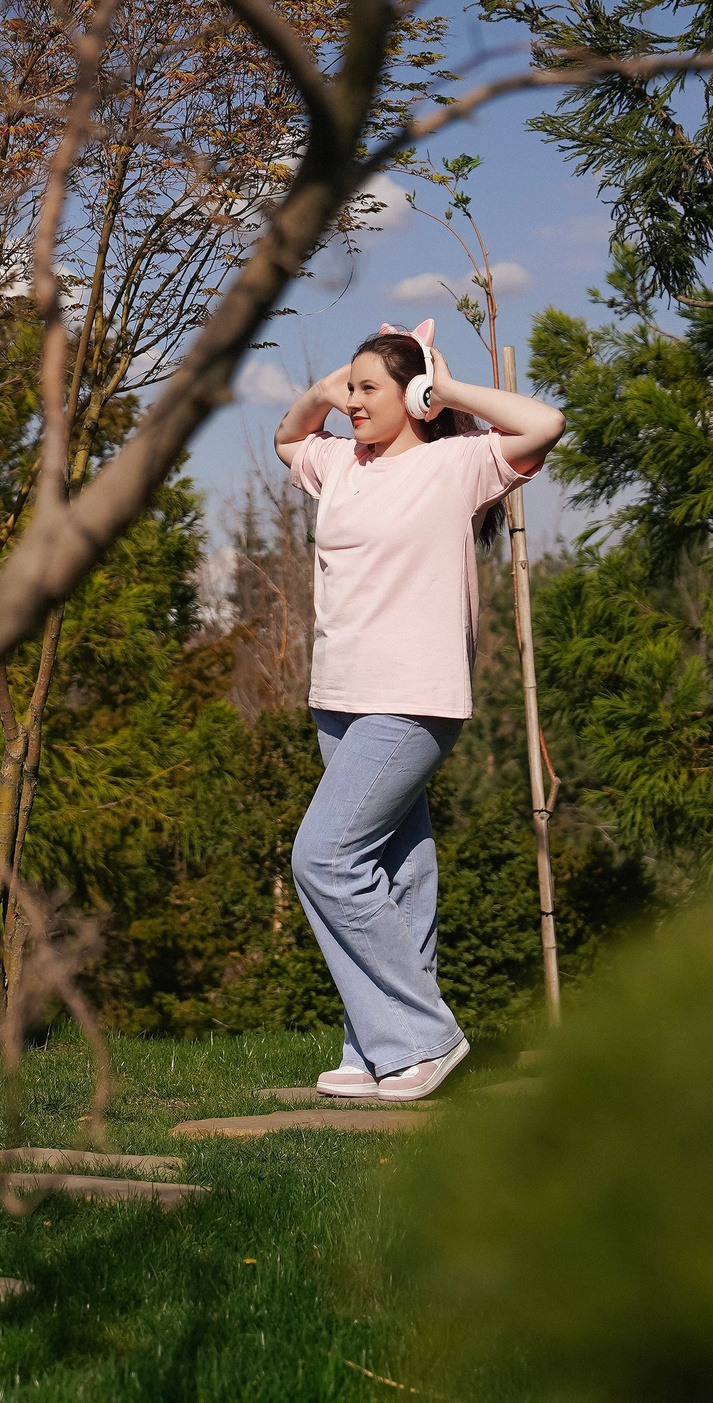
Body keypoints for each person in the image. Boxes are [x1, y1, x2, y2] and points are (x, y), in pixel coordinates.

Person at [272, 321, 566, 1101]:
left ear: (412, 395)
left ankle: (423, 1036)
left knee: (324, 857)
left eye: (370, 389)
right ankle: (376, 1047)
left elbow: (545, 423)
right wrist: (322, 391)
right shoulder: (340, 463)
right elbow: (286, 438)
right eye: (352, 388)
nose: (354, 402)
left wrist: (448, 389)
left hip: (415, 699)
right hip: (338, 696)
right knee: (397, 865)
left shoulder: (457, 465)